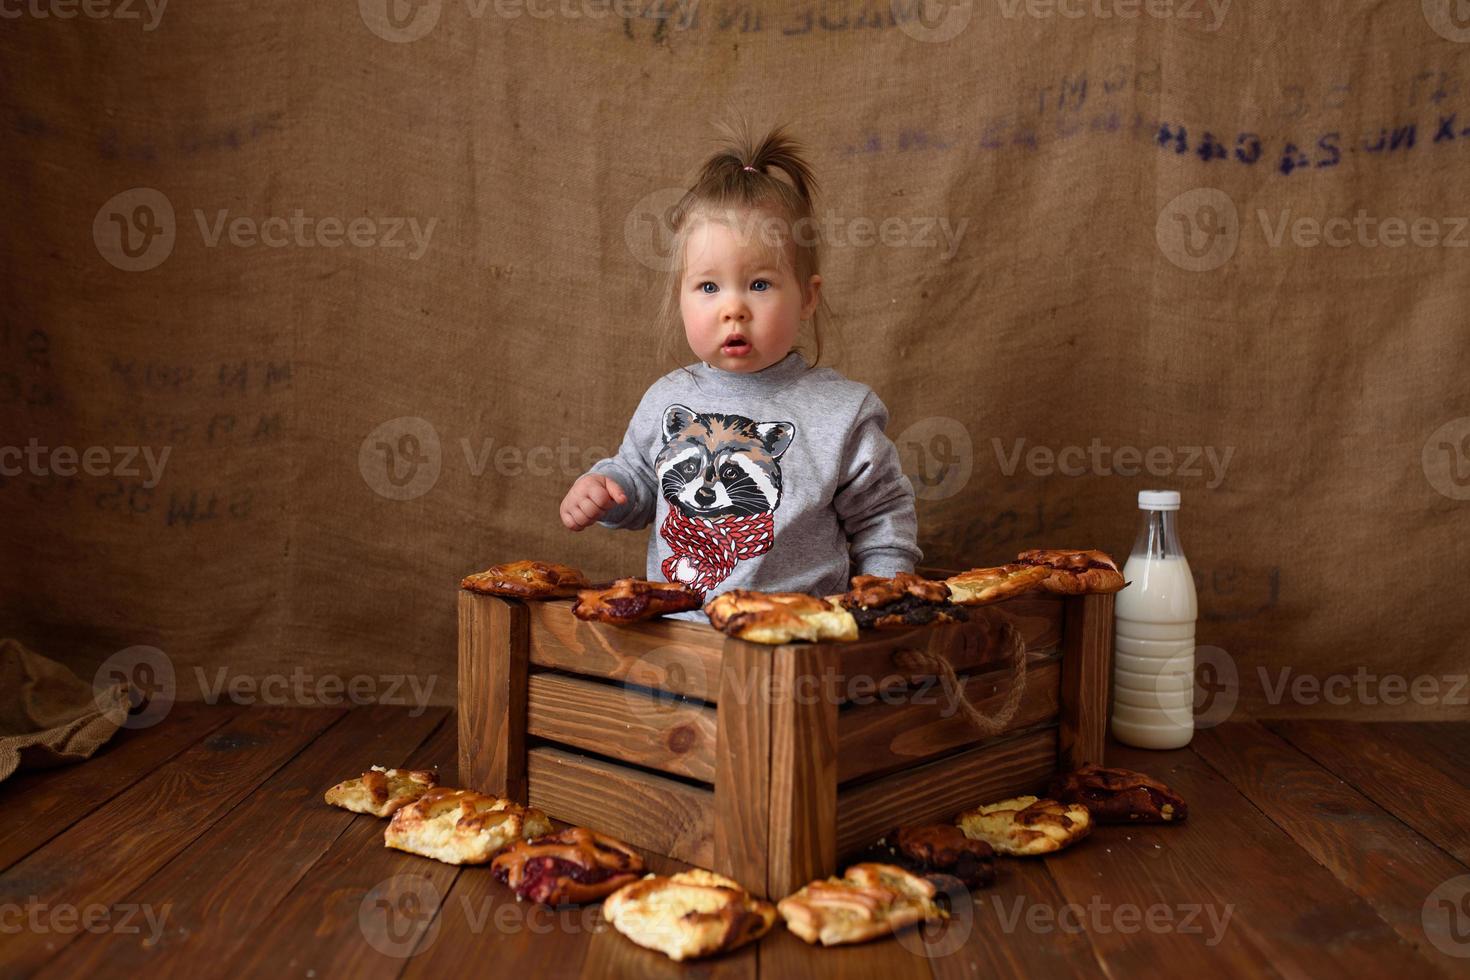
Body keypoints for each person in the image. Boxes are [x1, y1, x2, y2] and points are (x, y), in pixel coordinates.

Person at [560, 122, 921, 621]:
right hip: (681, 640)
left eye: (758, 284)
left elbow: (881, 517)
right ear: (681, 297)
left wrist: (886, 596)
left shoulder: (841, 412)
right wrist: (607, 490)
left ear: (807, 297)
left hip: (799, 638)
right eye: (708, 287)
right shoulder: (668, 399)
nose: (733, 308)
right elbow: (641, 482)